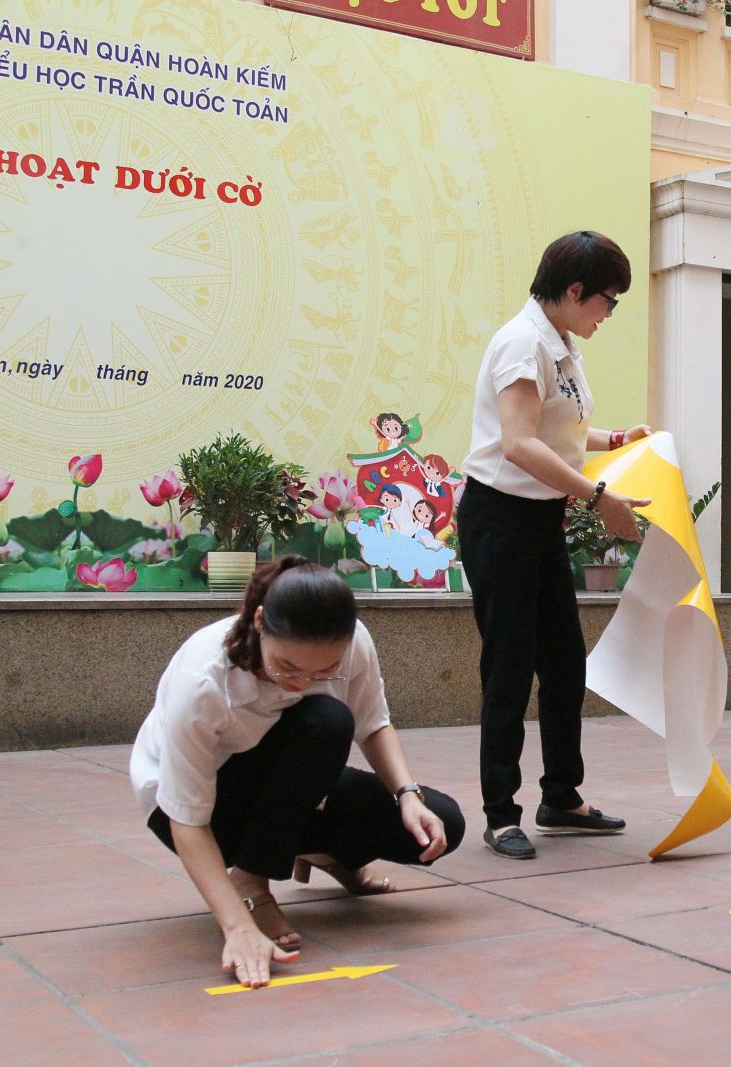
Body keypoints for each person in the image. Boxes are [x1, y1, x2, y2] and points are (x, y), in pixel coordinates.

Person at [129, 557, 465, 987]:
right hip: (203, 813)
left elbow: (374, 723)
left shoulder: (353, 641)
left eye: (324, 670)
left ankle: (319, 852)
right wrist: (236, 927)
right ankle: (250, 881)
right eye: (287, 667)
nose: (303, 681)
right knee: (324, 719)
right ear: (259, 623)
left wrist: (407, 795)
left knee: (442, 825)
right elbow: (187, 820)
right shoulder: (202, 680)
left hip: (289, 786)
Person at [458, 230, 652, 860]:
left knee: (565, 664)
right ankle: (499, 811)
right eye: (608, 301)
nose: (608, 313)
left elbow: (559, 431)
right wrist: (599, 497)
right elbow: (518, 444)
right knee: (510, 667)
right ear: (575, 292)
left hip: (539, 521)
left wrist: (616, 438)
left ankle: (561, 798)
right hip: (499, 519)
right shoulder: (522, 343)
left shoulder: (561, 342)